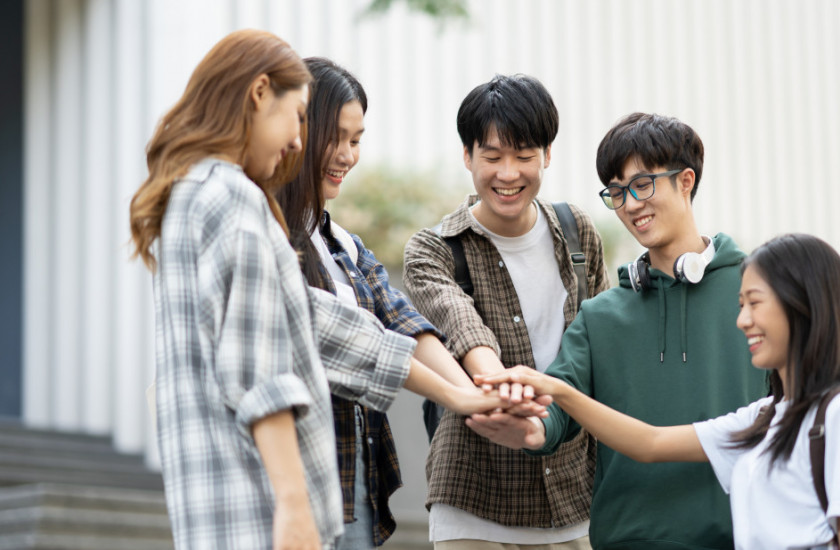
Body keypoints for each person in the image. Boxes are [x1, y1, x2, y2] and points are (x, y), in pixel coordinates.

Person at [129, 31, 507, 550]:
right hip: (263, 505)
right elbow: (262, 375)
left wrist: (464, 393)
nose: (296, 141)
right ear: (260, 93)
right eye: (298, 116)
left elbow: (331, 324)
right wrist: (293, 504)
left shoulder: (198, 198)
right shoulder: (234, 201)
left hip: (224, 507)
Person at [466, 112, 769, 549]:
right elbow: (558, 400)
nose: (630, 204)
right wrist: (532, 429)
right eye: (617, 191)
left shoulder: (758, 294)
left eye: (642, 184)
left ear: (686, 181)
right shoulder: (599, 317)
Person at [475, 233, 840, 550]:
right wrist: (557, 391)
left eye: (754, 303)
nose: (742, 320)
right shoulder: (766, 417)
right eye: (740, 304)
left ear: (804, 304)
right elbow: (649, 442)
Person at [275, 57, 500, 549]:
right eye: (336, 137)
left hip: (355, 481)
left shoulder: (345, 247)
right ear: (296, 132)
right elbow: (340, 338)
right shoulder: (266, 236)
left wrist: (480, 397)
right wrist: (463, 398)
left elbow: (406, 325)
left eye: (356, 140)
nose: (347, 155)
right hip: (289, 476)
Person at [402, 74, 609, 548]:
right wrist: (505, 389)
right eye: (493, 157)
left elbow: (599, 344)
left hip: (575, 495)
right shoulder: (434, 249)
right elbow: (463, 326)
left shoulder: (578, 233)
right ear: (467, 156)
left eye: (524, 156)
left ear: (547, 155)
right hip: (474, 497)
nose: (509, 173)